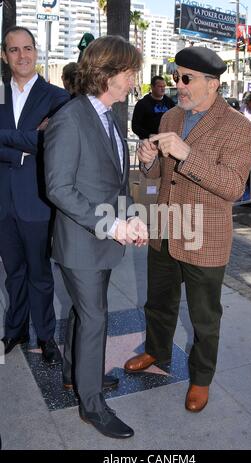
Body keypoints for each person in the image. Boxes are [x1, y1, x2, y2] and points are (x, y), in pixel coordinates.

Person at [124, 46, 251, 413]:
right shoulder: (169, 118)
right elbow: (157, 176)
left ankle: (200, 378)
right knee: (158, 302)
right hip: (166, 227)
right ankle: (156, 350)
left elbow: (232, 186)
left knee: (204, 317)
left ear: (212, 84)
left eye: (187, 78)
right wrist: (147, 161)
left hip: (206, 237)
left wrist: (187, 153)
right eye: (177, 77)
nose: (177, 85)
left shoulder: (238, 128)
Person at [44, 35, 148, 439]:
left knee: (86, 314)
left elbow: (112, 184)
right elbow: (59, 188)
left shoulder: (107, 115)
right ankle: (91, 405)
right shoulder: (71, 118)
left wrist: (129, 220)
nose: (134, 79)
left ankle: (78, 374)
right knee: (94, 318)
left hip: (102, 240)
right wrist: (112, 225)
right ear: (108, 74)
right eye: (130, 72)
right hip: (82, 244)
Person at [0, 26, 69, 363]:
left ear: (36, 52)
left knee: (40, 274)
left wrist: (7, 140)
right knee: (13, 272)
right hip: (3, 202)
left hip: (37, 201)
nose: (22, 56)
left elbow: (50, 141)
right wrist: (23, 145)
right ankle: (14, 330)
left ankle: (46, 336)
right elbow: (33, 141)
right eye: (14, 50)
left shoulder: (56, 97)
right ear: (4, 55)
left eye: (28, 48)